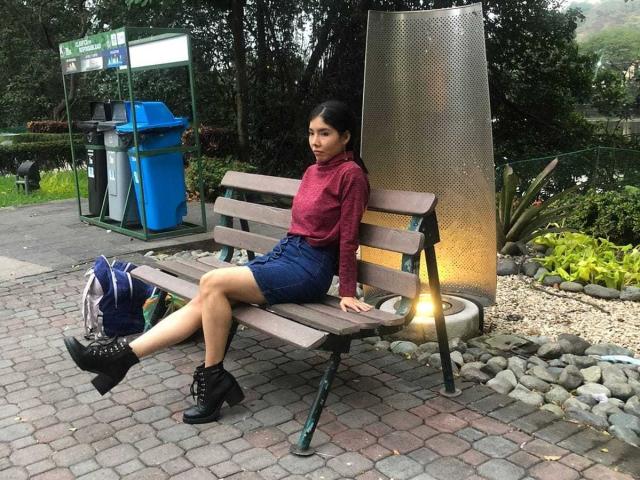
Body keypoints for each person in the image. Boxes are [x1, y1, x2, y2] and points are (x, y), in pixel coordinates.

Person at [63, 99, 372, 425]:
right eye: (311, 133)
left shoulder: (351, 176)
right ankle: (123, 360)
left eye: (324, 133)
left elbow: (348, 237)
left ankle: (210, 379)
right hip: (286, 257)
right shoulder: (313, 171)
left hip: (309, 269)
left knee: (212, 283)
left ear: (345, 137)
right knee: (207, 297)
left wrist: (347, 291)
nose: (315, 141)